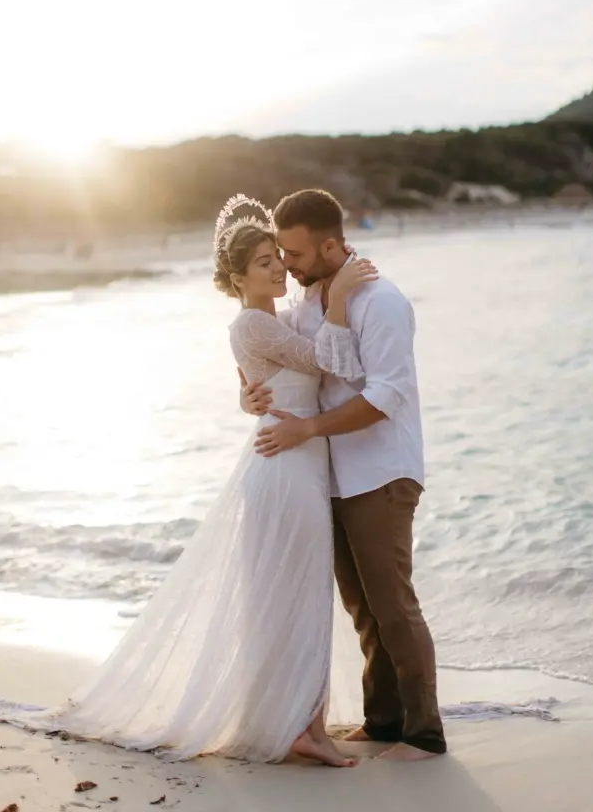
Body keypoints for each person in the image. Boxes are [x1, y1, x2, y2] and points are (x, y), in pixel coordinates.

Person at [0, 195, 377, 769]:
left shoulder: (268, 322)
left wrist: (250, 396)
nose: (277, 269)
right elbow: (333, 361)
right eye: (265, 263)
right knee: (297, 598)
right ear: (238, 276)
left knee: (288, 599)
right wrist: (341, 298)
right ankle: (304, 727)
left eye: (278, 258)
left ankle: (293, 720)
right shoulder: (254, 322)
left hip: (291, 462)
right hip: (285, 470)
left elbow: (277, 379)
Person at [241, 189, 447, 762]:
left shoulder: (381, 301)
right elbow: (268, 347)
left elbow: (386, 395)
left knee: (392, 603)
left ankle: (424, 731)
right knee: (361, 606)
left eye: (297, 254)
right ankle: (382, 720)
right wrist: (247, 390)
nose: (288, 265)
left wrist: (310, 431)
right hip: (330, 474)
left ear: (332, 244)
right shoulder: (309, 301)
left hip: (381, 469)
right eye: (281, 254)